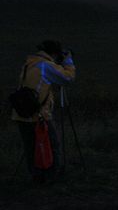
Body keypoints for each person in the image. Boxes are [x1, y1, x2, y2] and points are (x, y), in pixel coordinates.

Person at [11, 40, 76, 182]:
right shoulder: (45, 66)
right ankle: (51, 177)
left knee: (31, 148)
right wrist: (68, 61)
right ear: (54, 53)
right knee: (52, 146)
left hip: (21, 114)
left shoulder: (30, 63)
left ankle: (36, 176)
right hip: (39, 116)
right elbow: (68, 78)